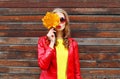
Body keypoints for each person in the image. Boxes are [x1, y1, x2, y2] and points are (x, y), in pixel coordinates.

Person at [38, 8, 82, 79]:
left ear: (66, 22)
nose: (59, 23)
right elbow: (43, 66)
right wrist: (51, 43)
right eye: (56, 20)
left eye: (62, 20)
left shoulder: (73, 44)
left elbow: (77, 71)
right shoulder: (43, 41)